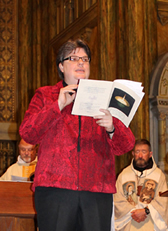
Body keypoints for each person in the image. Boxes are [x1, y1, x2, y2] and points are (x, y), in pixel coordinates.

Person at [19, 39, 135, 231]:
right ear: (61, 66)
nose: (81, 62)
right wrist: (57, 106)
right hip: (55, 190)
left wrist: (112, 127)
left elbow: (126, 145)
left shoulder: (106, 97)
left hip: (97, 192)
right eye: (74, 58)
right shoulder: (45, 95)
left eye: (85, 59)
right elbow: (28, 133)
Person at [114, 139, 168, 231]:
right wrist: (134, 212)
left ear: (150, 154)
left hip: (151, 222)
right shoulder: (124, 175)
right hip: (129, 222)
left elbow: (163, 201)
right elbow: (117, 200)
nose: (140, 155)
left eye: (144, 152)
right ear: (133, 154)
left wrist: (145, 211)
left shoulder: (159, 175)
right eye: (137, 152)